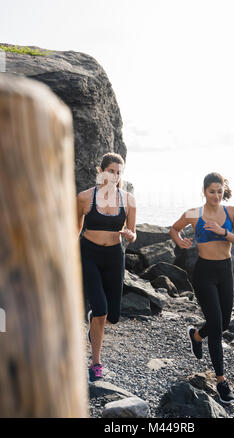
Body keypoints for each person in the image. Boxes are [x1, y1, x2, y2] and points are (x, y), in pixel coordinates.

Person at [169, 172, 234, 404]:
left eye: (219, 191)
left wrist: (223, 232)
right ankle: (221, 381)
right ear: (204, 191)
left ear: (224, 190)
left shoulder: (231, 212)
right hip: (203, 273)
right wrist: (179, 240)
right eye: (211, 191)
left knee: (223, 323)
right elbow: (174, 228)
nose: (216, 195)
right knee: (215, 324)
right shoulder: (194, 214)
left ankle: (196, 335)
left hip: (225, 271)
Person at [77, 152, 136, 382]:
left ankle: (94, 319)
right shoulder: (84, 198)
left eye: (119, 172)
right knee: (101, 310)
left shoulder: (128, 200)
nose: (115, 176)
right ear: (100, 171)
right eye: (111, 171)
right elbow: (76, 229)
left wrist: (131, 235)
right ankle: (96, 364)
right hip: (89, 254)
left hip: (114, 256)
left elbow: (132, 233)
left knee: (112, 316)